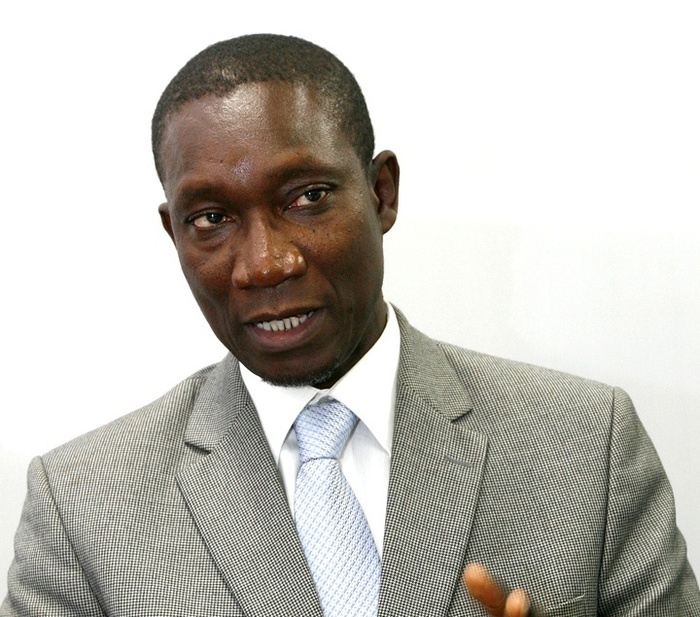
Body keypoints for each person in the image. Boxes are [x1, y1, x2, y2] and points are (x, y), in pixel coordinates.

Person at [2, 34, 698, 617]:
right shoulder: (81, 506)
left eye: (307, 197)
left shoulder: (588, 445)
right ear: (174, 232)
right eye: (211, 218)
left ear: (381, 193)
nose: (266, 264)